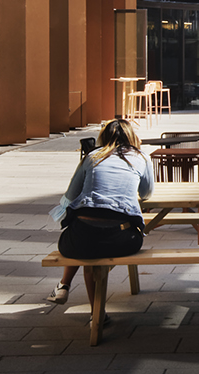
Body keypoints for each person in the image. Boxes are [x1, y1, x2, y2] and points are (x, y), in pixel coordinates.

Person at [47, 117, 154, 305]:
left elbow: (71, 194)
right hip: (123, 239)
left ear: (103, 137)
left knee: (84, 237)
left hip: (82, 239)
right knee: (93, 246)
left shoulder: (92, 157)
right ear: (132, 136)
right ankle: (92, 312)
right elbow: (146, 194)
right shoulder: (142, 157)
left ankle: (79, 299)